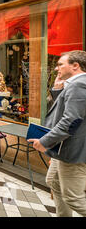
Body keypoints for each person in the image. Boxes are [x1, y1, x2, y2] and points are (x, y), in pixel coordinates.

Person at [28, 50, 86, 217]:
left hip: (72, 150)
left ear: (75, 66)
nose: (56, 68)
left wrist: (45, 141)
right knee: (53, 181)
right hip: (63, 148)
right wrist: (57, 89)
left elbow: (71, 121)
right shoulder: (74, 85)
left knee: (74, 199)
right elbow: (67, 109)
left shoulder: (79, 84)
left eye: (61, 64)